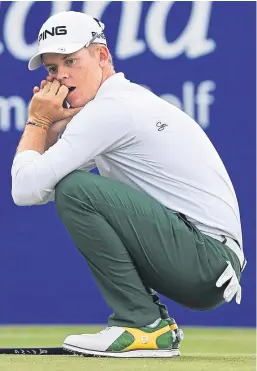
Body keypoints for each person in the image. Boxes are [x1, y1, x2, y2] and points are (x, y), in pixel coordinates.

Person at [11, 11, 246, 358]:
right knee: (73, 188)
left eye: (71, 61)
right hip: (209, 264)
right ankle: (154, 326)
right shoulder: (116, 106)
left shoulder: (111, 110)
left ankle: (142, 324)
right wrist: (53, 127)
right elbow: (40, 181)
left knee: (76, 190)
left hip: (205, 260)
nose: (61, 75)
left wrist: (39, 120)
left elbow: (26, 190)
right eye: (51, 69)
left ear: (102, 56)